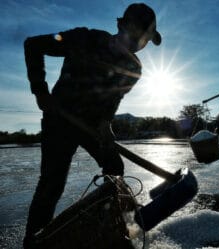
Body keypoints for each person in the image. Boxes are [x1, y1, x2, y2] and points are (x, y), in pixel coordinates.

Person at [23, 3, 161, 248]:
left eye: (147, 38)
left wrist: (106, 124)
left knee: (114, 167)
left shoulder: (135, 68)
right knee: (51, 185)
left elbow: (114, 98)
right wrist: (40, 91)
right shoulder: (84, 38)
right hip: (59, 121)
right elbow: (33, 44)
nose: (143, 43)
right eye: (141, 34)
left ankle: (117, 225)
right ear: (123, 25)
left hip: (92, 126)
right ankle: (34, 242)